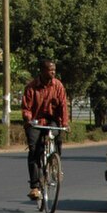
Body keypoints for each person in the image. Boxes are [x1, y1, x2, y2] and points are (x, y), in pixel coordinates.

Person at [21, 58, 69, 201]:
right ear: (42, 71)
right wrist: (29, 120)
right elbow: (26, 108)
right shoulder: (31, 87)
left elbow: (63, 106)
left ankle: (55, 166)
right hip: (35, 122)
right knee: (34, 150)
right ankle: (35, 187)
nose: (53, 72)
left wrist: (65, 123)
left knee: (57, 137)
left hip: (52, 121)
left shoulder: (58, 86)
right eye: (50, 70)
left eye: (54, 69)